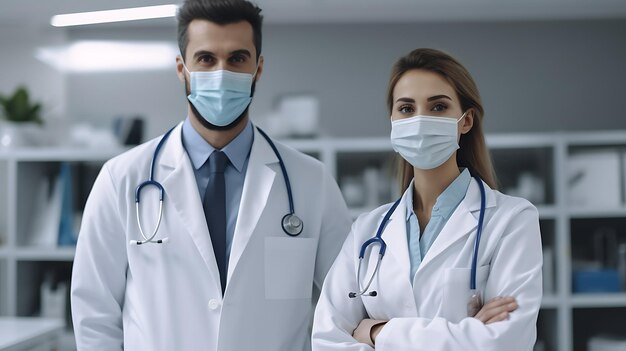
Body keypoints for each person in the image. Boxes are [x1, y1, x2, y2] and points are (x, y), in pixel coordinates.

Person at [70, 1, 352, 350]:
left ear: (258, 68)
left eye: (237, 59)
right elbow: (94, 313)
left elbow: (345, 308)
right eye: (206, 59)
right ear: (181, 68)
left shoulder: (310, 182)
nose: (221, 73)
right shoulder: (122, 179)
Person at [312, 48, 542, 350]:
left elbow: (505, 342)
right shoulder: (367, 231)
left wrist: (378, 332)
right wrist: (466, 332)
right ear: (393, 121)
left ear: (466, 121)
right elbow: (327, 340)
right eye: (406, 109)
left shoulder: (512, 220)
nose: (420, 121)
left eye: (438, 107)